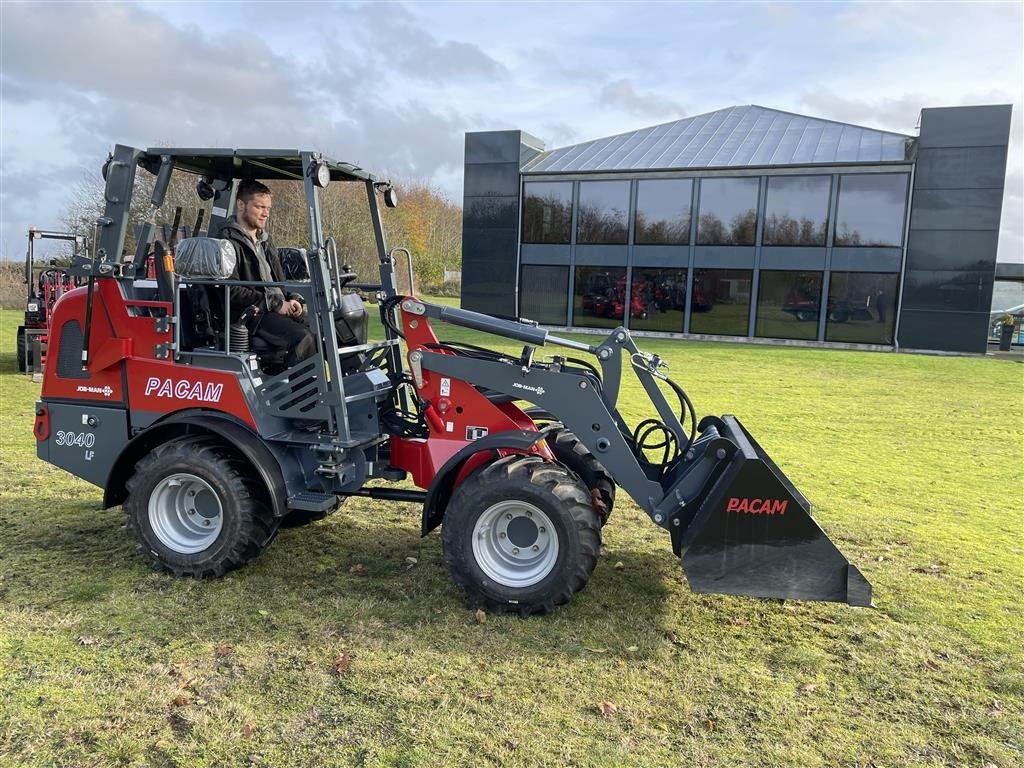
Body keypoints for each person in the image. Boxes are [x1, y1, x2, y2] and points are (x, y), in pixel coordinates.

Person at [217, 180, 315, 368]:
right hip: (251, 314)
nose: (266, 213)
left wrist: (291, 298)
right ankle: (306, 397)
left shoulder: (265, 240)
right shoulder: (227, 241)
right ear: (241, 205)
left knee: (327, 328)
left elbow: (277, 281)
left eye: (268, 208)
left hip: (274, 309)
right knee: (303, 338)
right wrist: (276, 304)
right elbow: (231, 291)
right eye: (260, 207)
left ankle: (341, 391)